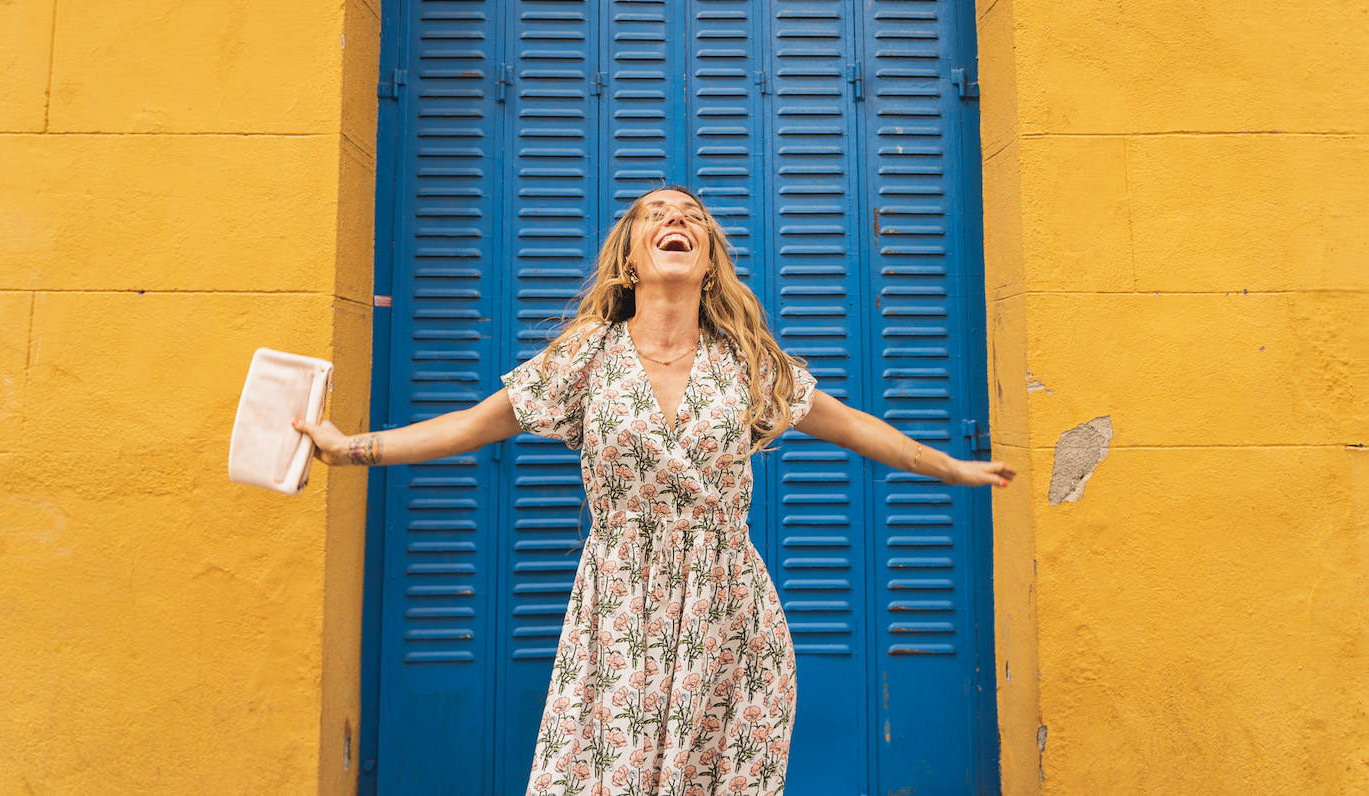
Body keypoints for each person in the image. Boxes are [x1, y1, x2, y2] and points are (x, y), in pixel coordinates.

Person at [294, 186, 1016, 796]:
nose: (677, 219)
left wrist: (951, 469)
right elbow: (470, 427)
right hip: (618, 606)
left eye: (693, 216)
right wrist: (352, 449)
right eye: (656, 214)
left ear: (708, 261)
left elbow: (855, 427)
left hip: (729, 612)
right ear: (631, 256)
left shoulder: (747, 364)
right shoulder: (586, 358)